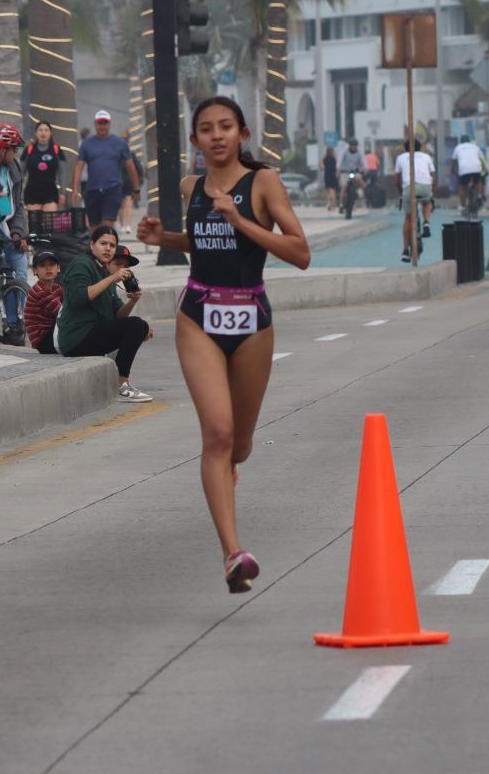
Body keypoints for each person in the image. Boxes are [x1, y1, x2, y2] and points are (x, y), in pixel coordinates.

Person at [137, 95, 311, 594]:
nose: (217, 135)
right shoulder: (191, 186)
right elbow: (204, 241)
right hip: (198, 315)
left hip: (251, 315)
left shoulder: (264, 183)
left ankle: (230, 503)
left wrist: (242, 221)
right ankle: (233, 554)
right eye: (207, 129)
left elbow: (300, 252)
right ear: (194, 141)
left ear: (242, 134)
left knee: (240, 445)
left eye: (226, 127)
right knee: (216, 435)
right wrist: (164, 238)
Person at [56, 225, 153, 401]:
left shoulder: (104, 271)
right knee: (136, 325)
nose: (108, 248)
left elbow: (118, 316)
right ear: (92, 245)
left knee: (139, 326)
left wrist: (133, 300)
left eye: (112, 245)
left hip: (92, 332)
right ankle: (121, 384)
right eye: (103, 243)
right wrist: (111, 279)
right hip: (76, 337)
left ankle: (122, 383)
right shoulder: (82, 264)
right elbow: (78, 298)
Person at [0, 122, 29, 345]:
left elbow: (13, 207)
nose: (15, 154)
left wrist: (16, 233)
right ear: (2, 150)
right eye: (14, 149)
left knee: (17, 265)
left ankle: (14, 324)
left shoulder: (12, 170)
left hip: (1, 228)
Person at [71, 109, 140, 229]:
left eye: (105, 123)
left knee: (107, 224)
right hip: (92, 189)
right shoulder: (86, 144)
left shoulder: (120, 143)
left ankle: (108, 246)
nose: (102, 126)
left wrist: (136, 189)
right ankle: (96, 247)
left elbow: (131, 166)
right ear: (95, 124)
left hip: (112, 188)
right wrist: (75, 189)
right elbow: (79, 167)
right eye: (100, 123)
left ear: (109, 124)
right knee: (94, 227)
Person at [395, 138, 435, 262]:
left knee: (408, 217)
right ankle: (426, 222)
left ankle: (406, 250)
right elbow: (433, 176)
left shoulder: (401, 158)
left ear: (406, 148)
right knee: (427, 201)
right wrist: (432, 191)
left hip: (409, 187)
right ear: (420, 147)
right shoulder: (426, 157)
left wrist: (401, 193)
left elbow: (397, 180)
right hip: (425, 186)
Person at [23, 251, 63, 354]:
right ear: (35, 270)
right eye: (42, 265)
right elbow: (62, 313)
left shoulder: (57, 288)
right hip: (43, 342)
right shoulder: (38, 291)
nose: (48, 268)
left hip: (52, 334)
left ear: (58, 268)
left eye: (52, 264)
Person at [22, 120, 65, 211]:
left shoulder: (56, 150)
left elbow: (62, 173)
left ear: (50, 133)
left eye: (46, 130)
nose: (43, 132)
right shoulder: (29, 150)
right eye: (40, 130)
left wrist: (63, 193)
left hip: (50, 192)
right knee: (34, 224)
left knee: (49, 222)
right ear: (36, 133)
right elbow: (21, 173)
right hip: (32, 193)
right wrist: (18, 193)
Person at [451, 135, 484, 214]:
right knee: (478, 181)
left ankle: (463, 206)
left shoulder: (458, 147)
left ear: (461, 141)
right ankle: (479, 195)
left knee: (462, 187)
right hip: (476, 168)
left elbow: (453, 161)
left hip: (464, 170)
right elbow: (481, 158)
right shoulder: (475, 147)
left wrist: (452, 171)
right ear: (469, 141)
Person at [322, 145, 339, 211]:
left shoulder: (324, 159)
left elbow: (322, 167)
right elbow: (337, 167)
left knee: (328, 191)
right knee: (333, 191)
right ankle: (334, 205)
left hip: (327, 176)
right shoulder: (334, 159)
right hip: (333, 176)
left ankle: (329, 203)